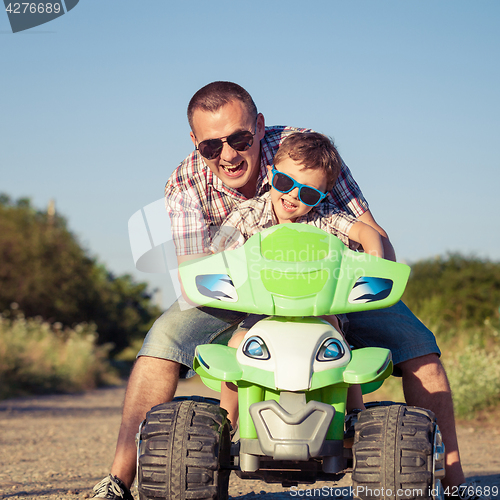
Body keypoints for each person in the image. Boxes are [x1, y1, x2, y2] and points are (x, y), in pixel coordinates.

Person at [92, 81, 479, 500]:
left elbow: (370, 230)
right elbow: (195, 270)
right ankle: (121, 478)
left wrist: (372, 275)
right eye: (210, 146)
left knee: (419, 347)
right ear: (195, 142)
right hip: (239, 289)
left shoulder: (305, 152)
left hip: (332, 286)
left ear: (259, 127)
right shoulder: (186, 186)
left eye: (239, 138)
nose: (227, 154)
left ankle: (452, 481)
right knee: (163, 340)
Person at [212, 131, 386, 427]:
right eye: (284, 182)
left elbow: (364, 231)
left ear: (321, 197)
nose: (292, 195)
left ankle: (353, 416)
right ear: (271, 174)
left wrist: (373, 256)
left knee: (337, 341)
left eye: (307, 193)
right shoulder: (248, 215)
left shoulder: (325, 218)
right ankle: (226, 422)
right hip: (264, 312)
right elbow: (219, 251)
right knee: (237, 345)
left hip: (318, 313)